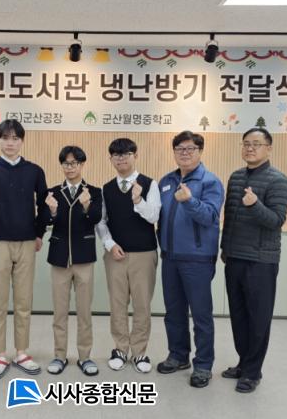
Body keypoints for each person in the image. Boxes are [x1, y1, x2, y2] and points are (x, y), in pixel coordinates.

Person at [220, 127, 287, 393]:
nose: (250, 148)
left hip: (261, 261)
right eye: (246, 143)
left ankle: (253, 372)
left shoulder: (279, 181)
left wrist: (255, 205)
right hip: (235, 257)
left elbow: (276, 220)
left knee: (258, 318)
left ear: (269, 148)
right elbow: (229, 217)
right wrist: (225, 248)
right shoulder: (236, 177)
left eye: (256, 144)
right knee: (239, 316)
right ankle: (243, 363)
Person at [0, 119, 48, 379]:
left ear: (22, 141)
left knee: (23, 301)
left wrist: (39, 233)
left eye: (15, 138)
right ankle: (0, 354)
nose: (10, 143)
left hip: (27, 242)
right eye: (5, 138)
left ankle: (21, 352)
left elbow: (44, 205)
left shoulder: (34, 171)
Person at [156, 131, 224, 388]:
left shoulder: (210, 181)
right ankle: (178, 355)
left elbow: (209, 216)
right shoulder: (166, 181)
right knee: (173, 312)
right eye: (179, 148)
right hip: (170, 257)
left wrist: (189, 201)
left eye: (190, 148)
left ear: (200, 151)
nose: (184, 153)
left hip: (198, 259)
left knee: (201, 315)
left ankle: (203, 365)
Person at [96, 137, 160, 373]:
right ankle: (120, 349)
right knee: (117, 304)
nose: (121, 158)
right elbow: (101, 221)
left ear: (135, 156)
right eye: (116, 155)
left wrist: (138, 200)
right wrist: (109, 244)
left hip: (144, 254)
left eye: (126, 154)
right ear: (110, 159)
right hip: (116, 255)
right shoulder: (106, 188)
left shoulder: (150, 184)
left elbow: (154, 216)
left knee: (142, 305)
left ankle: (140, 352)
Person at [41, 146, 103, 376]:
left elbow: (96, 219)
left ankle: (85, 357)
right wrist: (52, 211)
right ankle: (59, 356)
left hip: (84, 257)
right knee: (60, 312)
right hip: (59, 258)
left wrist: (87, 205)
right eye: (66, 163)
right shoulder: (52, 192)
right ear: (62, 165)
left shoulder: (94, 192)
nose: (70, 167)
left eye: (74, 163)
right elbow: (45, 220)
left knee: (84, 312)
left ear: (82, 165)